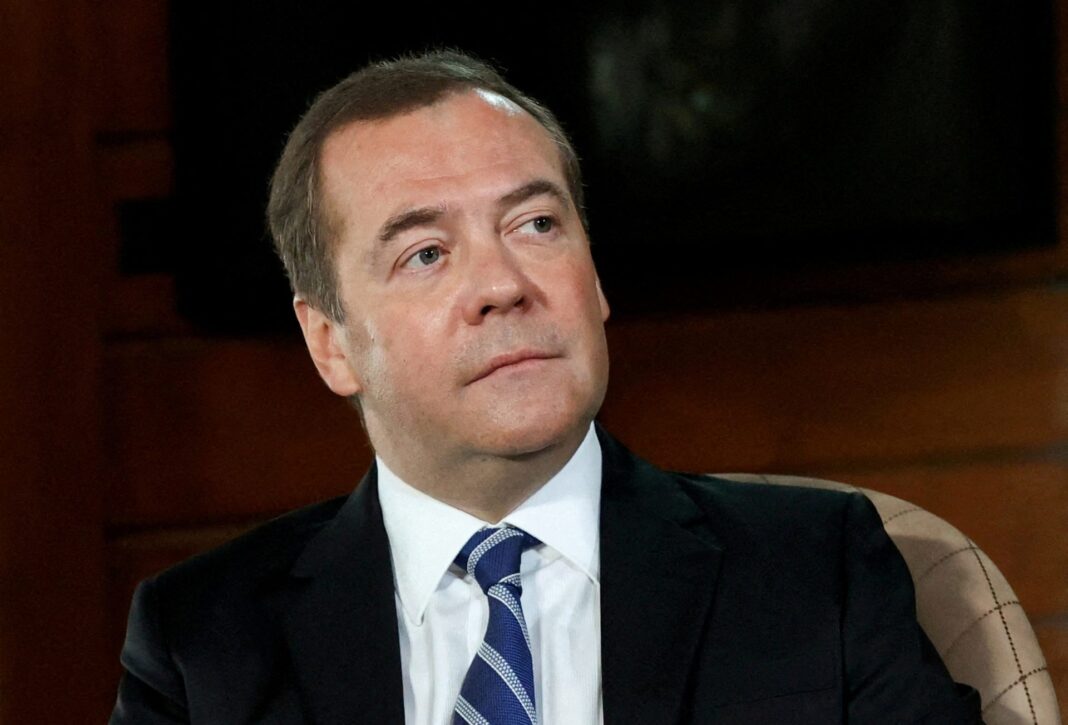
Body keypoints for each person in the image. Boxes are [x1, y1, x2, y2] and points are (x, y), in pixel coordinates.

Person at [111, 51, 982, 724]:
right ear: (330, 341)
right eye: (426, 253)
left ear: (593, 279)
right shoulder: (203, 643)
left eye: (535, 224)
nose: (503, 284)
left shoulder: (815, 569)